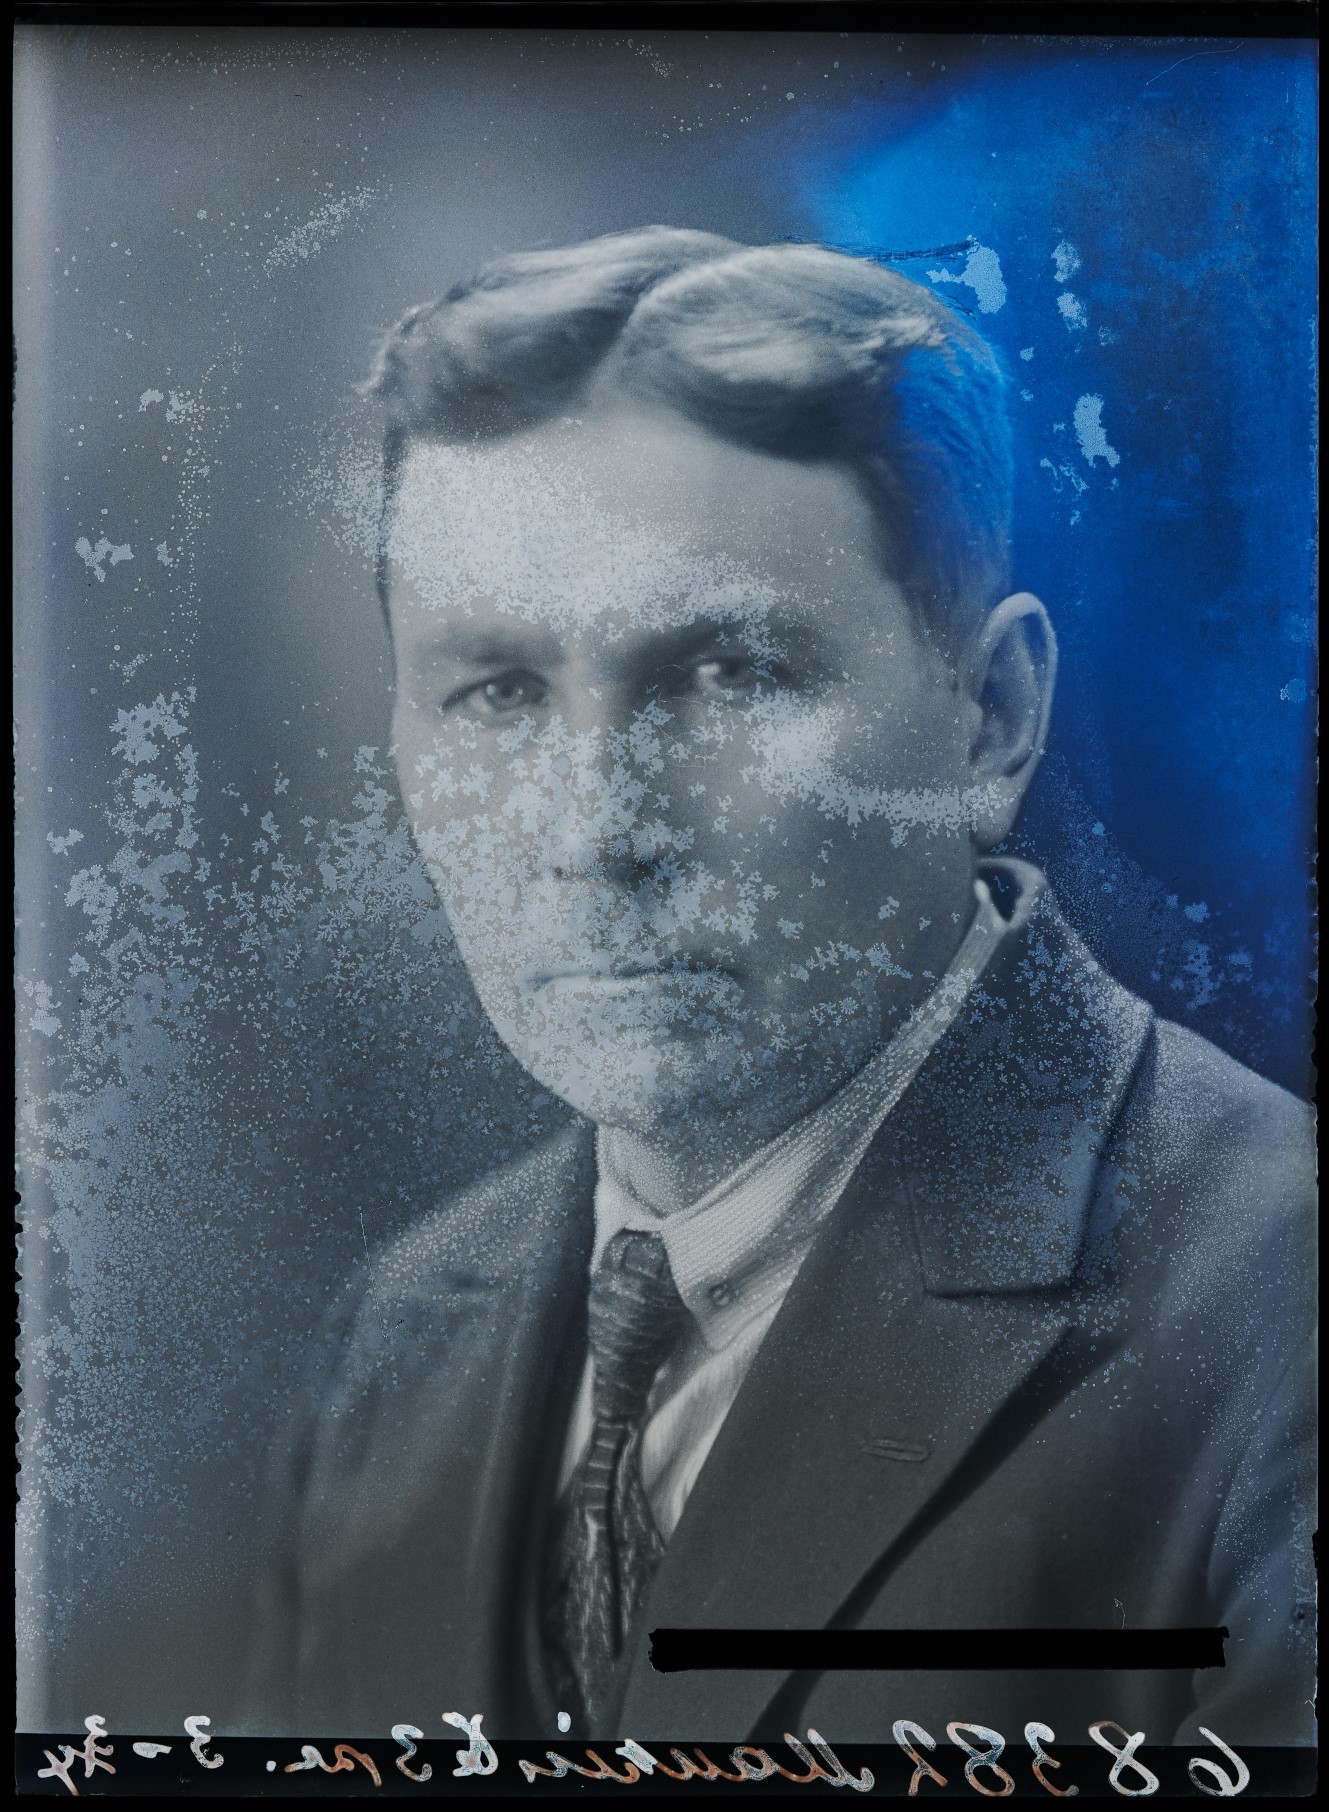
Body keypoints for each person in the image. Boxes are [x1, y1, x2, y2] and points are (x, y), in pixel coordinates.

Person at [246, 228, 1315, 1748]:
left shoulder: (1280, 1310)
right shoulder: (403, 1335)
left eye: (729, 675)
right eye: (497, 693)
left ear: (991, 717)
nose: (594, 830)